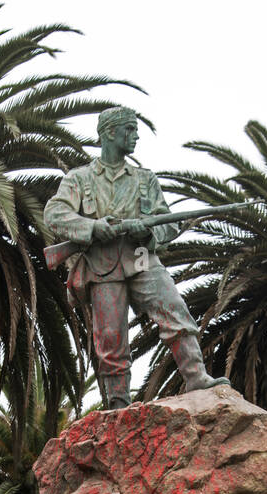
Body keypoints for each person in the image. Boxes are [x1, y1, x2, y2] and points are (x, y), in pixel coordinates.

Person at [43, 106, 231, 409]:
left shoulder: (145, 179)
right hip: (102, 268)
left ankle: (196, 377)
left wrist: (147, 233)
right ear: (109, 133)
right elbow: (55, 214)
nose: (136, 135)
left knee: (175, 310)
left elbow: (168, 222)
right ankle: (117, 403)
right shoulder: (80, 179)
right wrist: (93, 227)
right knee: (110, 339)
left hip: (143, 260)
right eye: (129, 129)